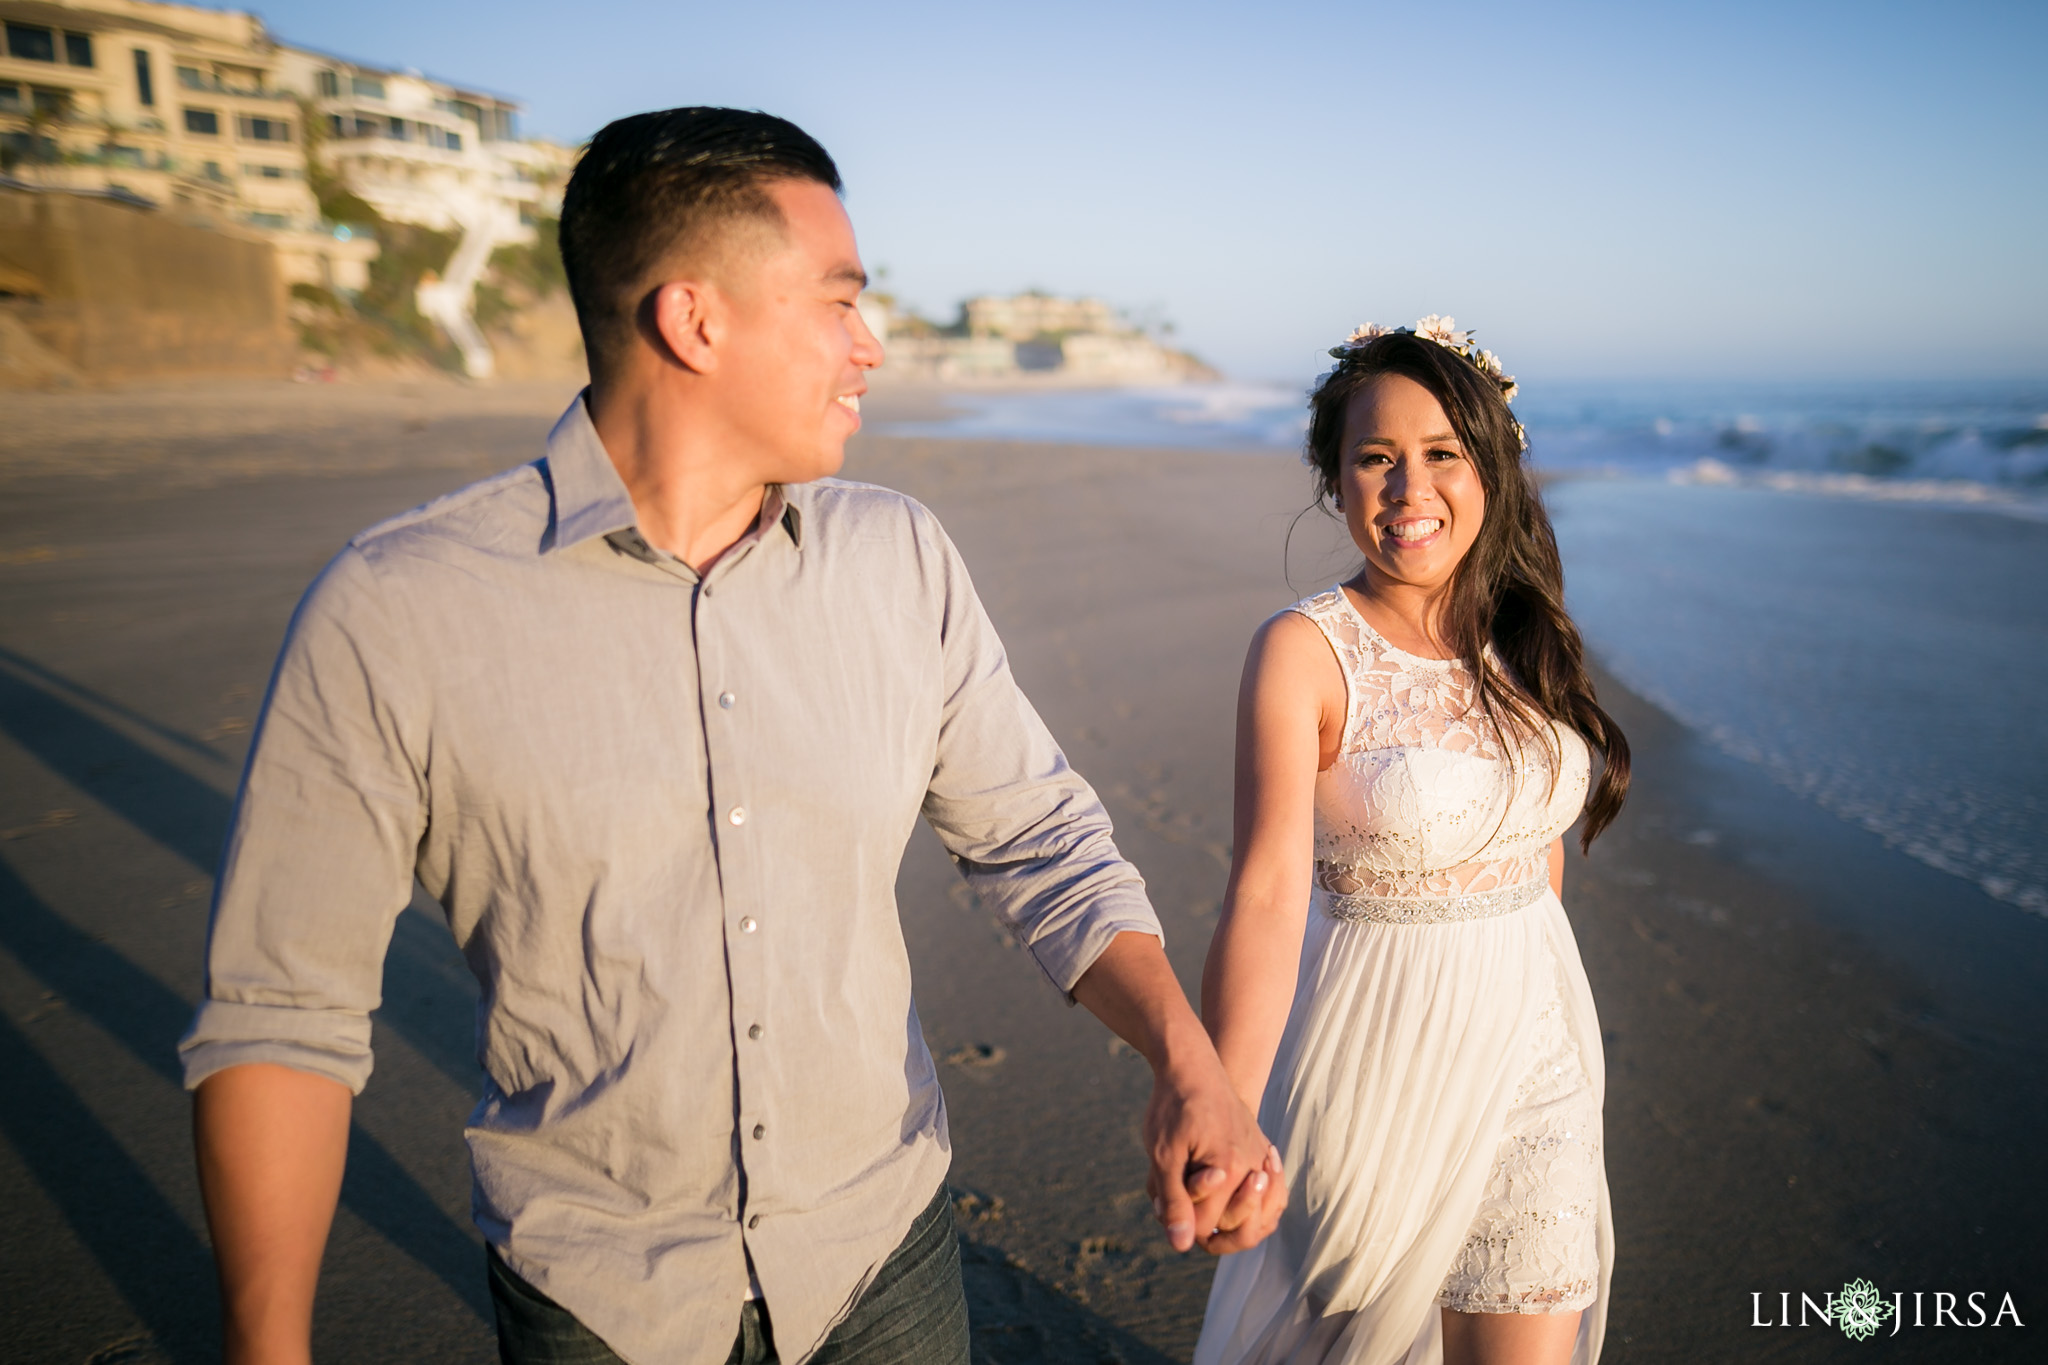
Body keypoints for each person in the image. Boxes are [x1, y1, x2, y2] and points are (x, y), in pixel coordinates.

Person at [178, 107, 1284, 1365]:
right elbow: (280, 1017)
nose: (869, 347)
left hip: (884, 1259)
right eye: (837, 302)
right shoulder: (398, 612)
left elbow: (1038, 841)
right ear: (693, 320)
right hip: (598, 1298)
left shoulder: (895, 558)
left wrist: (1188, 1064)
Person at [1192, 320, 1631, 1365]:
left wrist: (1523, 995)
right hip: (1376, 1055)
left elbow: (1535, 846)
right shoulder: (1303, 651)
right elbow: (1261, 896)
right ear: (1332, 476)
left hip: (1537, 1055)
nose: (1406, 489)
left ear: (1491, 469)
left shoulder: (1523, 635)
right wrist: (1225, 1111)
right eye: (1374, 458)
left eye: (1441, 455)